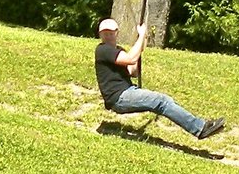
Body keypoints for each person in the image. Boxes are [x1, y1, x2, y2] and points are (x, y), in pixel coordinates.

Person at [94, 18, 225, 139]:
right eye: (105, 33)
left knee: (162, 101)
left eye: (111, 33)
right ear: (100, 35)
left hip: (127, 92)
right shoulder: (103, 49)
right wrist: (140, 37)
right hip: (119, 97)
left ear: (117, 33)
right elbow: (130, 59)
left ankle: (199, 127)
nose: (108, 36)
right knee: (161, 100)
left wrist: (141, 45)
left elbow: (132, 72)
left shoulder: (118, 50)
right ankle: (200, 128)